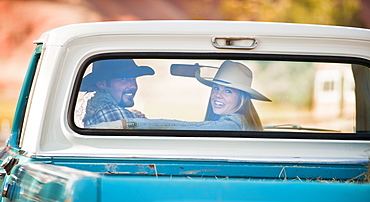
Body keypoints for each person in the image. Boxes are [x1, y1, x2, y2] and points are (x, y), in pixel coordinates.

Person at [87, 60, 270, 131]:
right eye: (215, 88)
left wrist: (129, 122)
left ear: (242, 98)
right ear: (102, 84)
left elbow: (192, 128)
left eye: (227, 91)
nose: (217, 95)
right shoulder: (108, 111)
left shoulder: (232, 125)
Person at [80, 59, 154, 127]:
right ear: (102, 84)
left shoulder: (94, 111)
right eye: (123, 78)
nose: (133, 86)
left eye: (134, 79)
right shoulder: (112, 113)